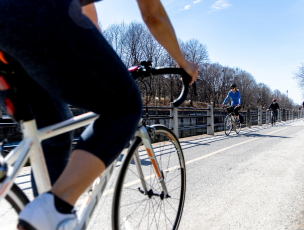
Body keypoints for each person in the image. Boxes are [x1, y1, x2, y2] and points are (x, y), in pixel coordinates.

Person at [0, 0, 198, 229]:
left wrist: (102, 66)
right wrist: (184, 63)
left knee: (53, 133)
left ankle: (44, 215)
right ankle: (54, 210)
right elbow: (153, 15)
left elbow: (88, 15)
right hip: (38, 11)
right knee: (126, 106)